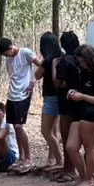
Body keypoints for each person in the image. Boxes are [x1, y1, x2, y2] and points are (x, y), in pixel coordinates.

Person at [64, 45, 94, 186]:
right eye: (80, 62)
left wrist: (83, 96)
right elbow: (82, 89)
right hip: (79, 112)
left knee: (89, 147)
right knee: (71, 147)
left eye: (83, 61)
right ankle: (83, 176)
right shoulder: (83, 73)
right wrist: (73, 92)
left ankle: (89, 179)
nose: (82, 64)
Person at [0, 37, 41, 171]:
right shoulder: (8, 59)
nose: (6, 56)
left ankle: (28, 158)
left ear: (11, 48)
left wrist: (34, 81)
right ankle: (21, 157)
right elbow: (13, 75)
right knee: (15, 128)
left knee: (19, 126)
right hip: (12, 95)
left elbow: (41, 66)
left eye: (6, 53)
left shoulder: (25, 53)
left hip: (24, 94)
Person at [53, 32, 81, 182]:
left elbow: (57, 82)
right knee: (70, 136)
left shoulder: (64, 61)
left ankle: (70, 169)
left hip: (66, 102)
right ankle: (67, 167)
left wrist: (54, 67)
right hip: (78, 101)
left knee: (66, 135)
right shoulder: (80, 59)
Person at [33, 31, 63, 171]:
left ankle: (59, 160)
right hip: (61, 97)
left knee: (45, 131)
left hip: (51, 97)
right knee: (54, 130)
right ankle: (52, 159)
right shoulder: (62, 56)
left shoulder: (48, 60)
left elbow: (37, 75)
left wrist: (43, 64)